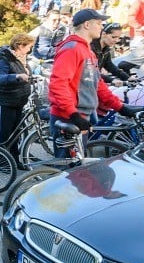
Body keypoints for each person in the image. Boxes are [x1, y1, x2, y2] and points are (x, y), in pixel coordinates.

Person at [48, 9, 137, 158]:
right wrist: (73, 114)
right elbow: (58, 84)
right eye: (99, 23)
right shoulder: (72, 49)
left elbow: (97, 83)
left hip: (80, 116)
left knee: (76, 168)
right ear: (87, 25)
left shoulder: (87, 50)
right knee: (67, 172)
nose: (102, 27)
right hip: (68, 117)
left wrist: (120, 107)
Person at [0, 34, 34, 166]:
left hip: (17, 101)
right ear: (20, 46)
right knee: (3, 134)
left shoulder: (21, 59)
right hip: (4, 101)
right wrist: (17, 76)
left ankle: (14, 161)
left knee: (15, 134)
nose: (30, 50)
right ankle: (0, 162)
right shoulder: (4, 59)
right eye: (29, 47)